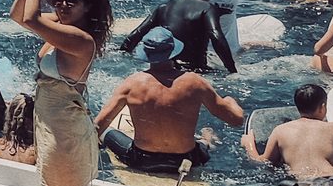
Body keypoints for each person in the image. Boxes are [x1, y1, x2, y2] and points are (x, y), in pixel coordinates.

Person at [10, 0, 111, 186]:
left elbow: (31, 19)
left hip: (63, 135)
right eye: (59, 1)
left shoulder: (80, 39)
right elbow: (18, 16)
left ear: (87, 7)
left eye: (72, 2)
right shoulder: (60, 24)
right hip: (60, 128)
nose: (62, 6)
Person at [95, 28, 244, 174]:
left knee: (107, 132)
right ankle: (207, 140)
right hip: (187, 160)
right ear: (174, 51)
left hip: (142, 160)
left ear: (146, 54)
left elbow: (97, 126)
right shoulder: (195, 83)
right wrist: (230, 101)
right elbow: (236, 120)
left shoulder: (132, 84)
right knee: (204, 139)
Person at [119, 0, 236, 73]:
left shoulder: (164, 8)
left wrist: (121, 55)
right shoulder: (207, 8)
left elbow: (134, 37)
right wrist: (232, 70)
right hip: (196, 71)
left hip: (167, 67)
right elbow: (216, 37)